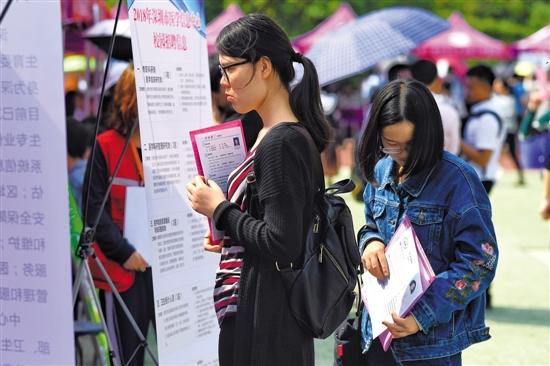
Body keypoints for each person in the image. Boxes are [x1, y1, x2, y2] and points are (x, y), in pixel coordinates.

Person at [185, 13, 330, 366]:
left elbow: (284, 241)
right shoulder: (271, 134)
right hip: (262, 309)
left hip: (268, 319)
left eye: (229, 68)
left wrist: (220, 210)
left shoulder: (281, 141)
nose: (223, 83)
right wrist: (230, 233)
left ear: (263, 67)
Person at [357, 80, 498, 365]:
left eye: (410, 146)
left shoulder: (458, 179)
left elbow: (480, 262)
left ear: (430, 134)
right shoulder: (381, 169)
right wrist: (370, 242)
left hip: (431, 346)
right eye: (390, 144)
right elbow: (371, 222)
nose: (401, 155)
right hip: (378, 333)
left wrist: (421, 317)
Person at [83, 66, 155, 366]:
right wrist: (124, 252)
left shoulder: (167, 147)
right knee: (128, 355)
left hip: (164, 269)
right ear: (130, 98)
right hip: (121, 270)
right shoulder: (106, 145)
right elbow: (94, 211)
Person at [461, 65, 505, 195]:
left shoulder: (488, 117)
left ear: (485, 87)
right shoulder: (479, 111)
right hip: (475, 178)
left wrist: (456, 141)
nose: (467, 92)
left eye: (471, 87)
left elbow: (482, 159)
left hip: (479, 180)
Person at [411, 59, 461, 154]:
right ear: (437, 80)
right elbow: (454, 148)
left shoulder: (404, 105)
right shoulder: (449, 110)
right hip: (442, 165)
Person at [493, 77, 525, 185]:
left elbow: (509, 115)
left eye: (498, 85)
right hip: (498, 131)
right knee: (495, 153)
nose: (496, 87)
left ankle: (521, 176)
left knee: (512, 153)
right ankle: (495, 174)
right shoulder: (494, 99)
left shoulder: (510, 100)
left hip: (508, 131)